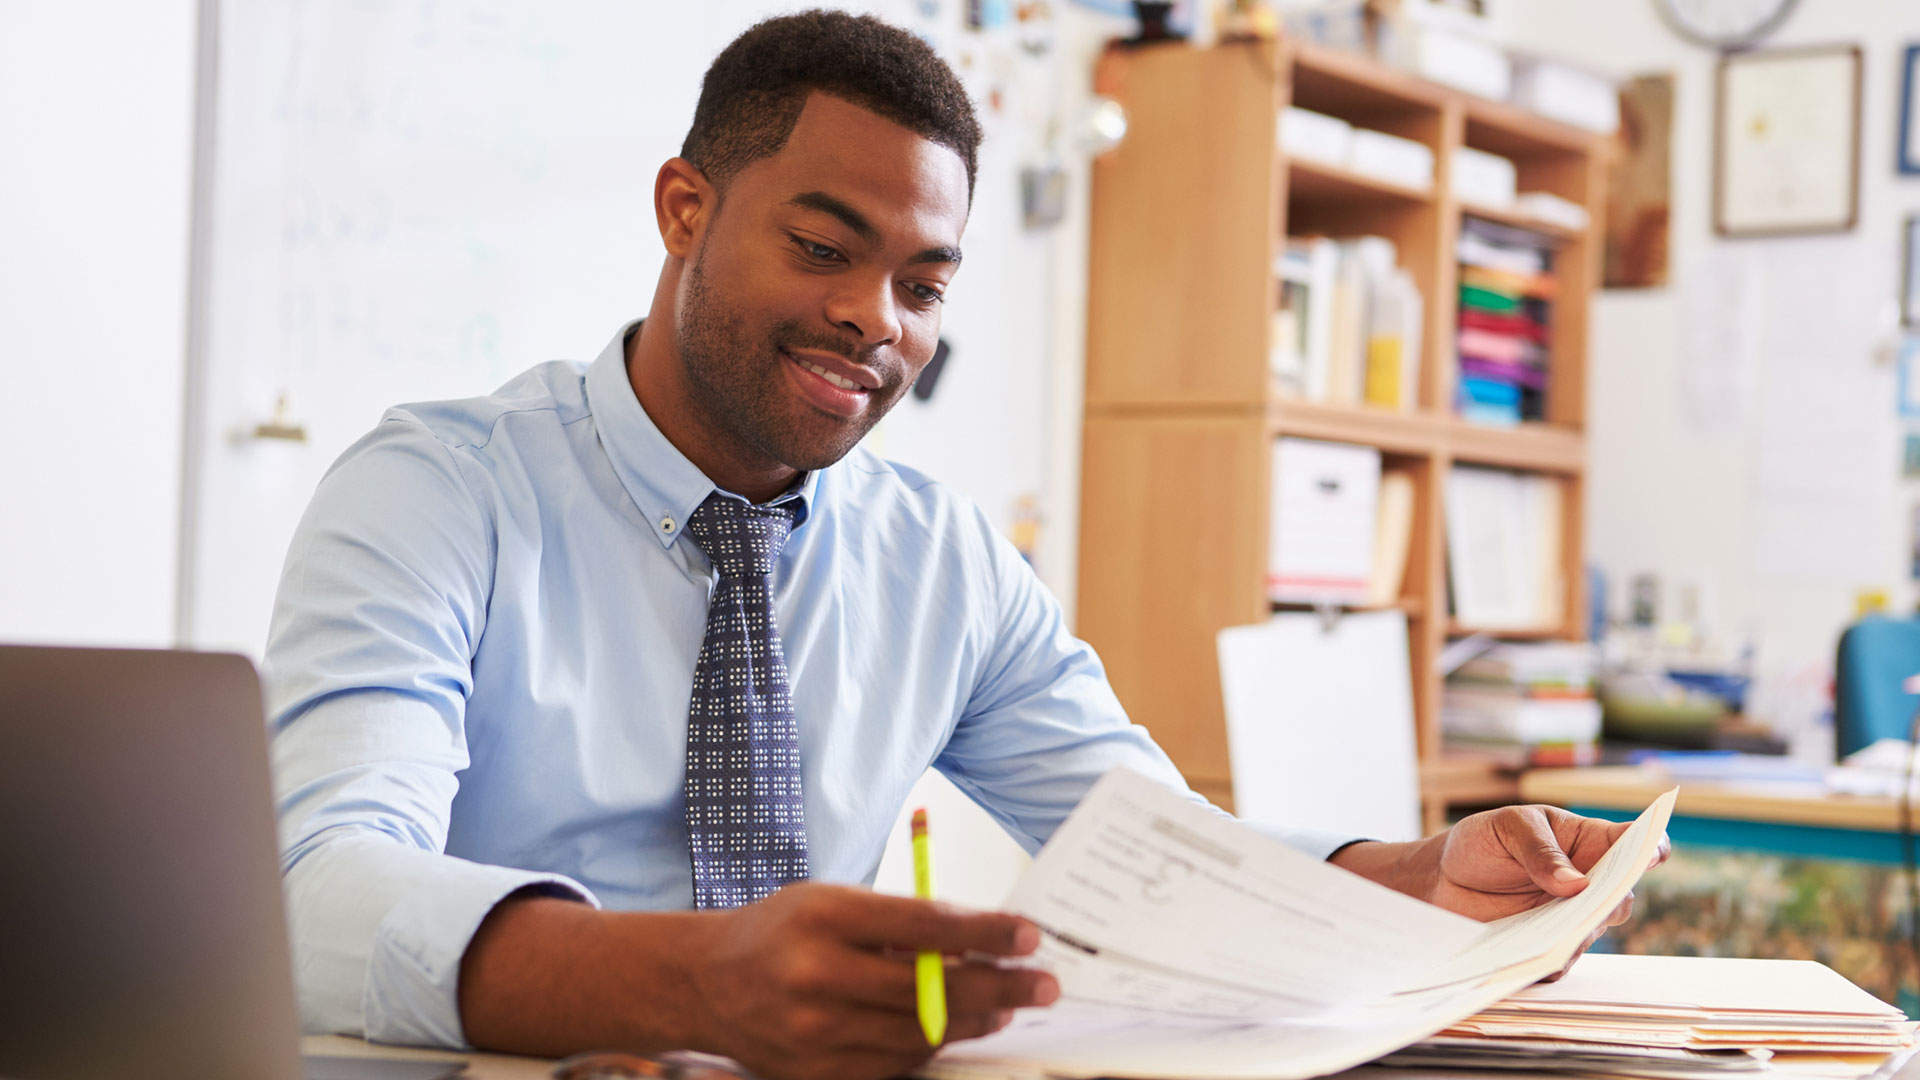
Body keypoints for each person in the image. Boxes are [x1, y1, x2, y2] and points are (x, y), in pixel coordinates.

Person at [266, 11, 1663, 1080]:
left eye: (922, 283)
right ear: (684, 209)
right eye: (825, 248)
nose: (878, 320)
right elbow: (316, 888)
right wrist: (692, 980)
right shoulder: (439, 491)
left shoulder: (939, 556)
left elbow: (1156, 854)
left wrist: (1414, 877)